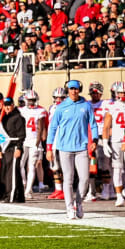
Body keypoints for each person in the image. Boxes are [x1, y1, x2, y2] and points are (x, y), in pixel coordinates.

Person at [46, 79, 99, 219]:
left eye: (76, 89)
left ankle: (78, 203)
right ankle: (69, 207)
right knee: (68, 179)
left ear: (79, 90)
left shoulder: (86, 106)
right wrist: (49, 147)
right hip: (64, 148)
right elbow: (52, 128)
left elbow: (93, 124)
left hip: (82, 147)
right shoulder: (61, 107)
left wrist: (95, 139)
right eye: (71, 89)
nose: (74, 91)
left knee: (85, 178)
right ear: (67, 90)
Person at [101, 81, 125, 207]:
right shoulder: (112, 107)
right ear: (116, 93)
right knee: (118, 169)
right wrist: (105, 142)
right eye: (121, 92)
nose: (123, 95)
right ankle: (119, 195)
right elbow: (106, 126)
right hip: (116, 140)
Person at [19, 90, 48, 199]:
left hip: (33, 140)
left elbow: (41, 127)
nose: (31, 102)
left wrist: (38, 142)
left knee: (31, 166)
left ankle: (27, 190)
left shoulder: (40, 111)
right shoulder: (21, 110)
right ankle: (25, 185)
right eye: (30, 100)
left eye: (33, 100)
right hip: (24, 140)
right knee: (21, 165)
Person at [0, 97, 26, 202]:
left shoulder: (18, 117)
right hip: (6, 147)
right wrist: (0, 149)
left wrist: (19, 147)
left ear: (13, 105)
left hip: (14, 147)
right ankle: (19, 196)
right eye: (5, 105)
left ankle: (11, 195)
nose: (7, 107)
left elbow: (22, 135)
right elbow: (1, 135)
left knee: (12, 173)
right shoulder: (4, 118)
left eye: (9, 105)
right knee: (7, 172)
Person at [87, 82, 110, 201]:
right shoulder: (86, 104)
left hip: (102, 136)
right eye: (92, 92)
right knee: (91, 165)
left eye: (96, 93)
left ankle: (107, 189)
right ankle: (91, 191)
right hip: (90, 137)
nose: (94, 95)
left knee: (104, 165)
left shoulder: (105, 103)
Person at [47, 87, 68, 200]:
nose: (59, 100)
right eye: (57, 97)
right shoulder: (52, 108)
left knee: (64, 167)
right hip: (54, 140)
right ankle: (58, 189)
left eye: (61, 97)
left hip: (63, 141)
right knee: (55, 167)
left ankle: (65, 190)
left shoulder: (67, 108)